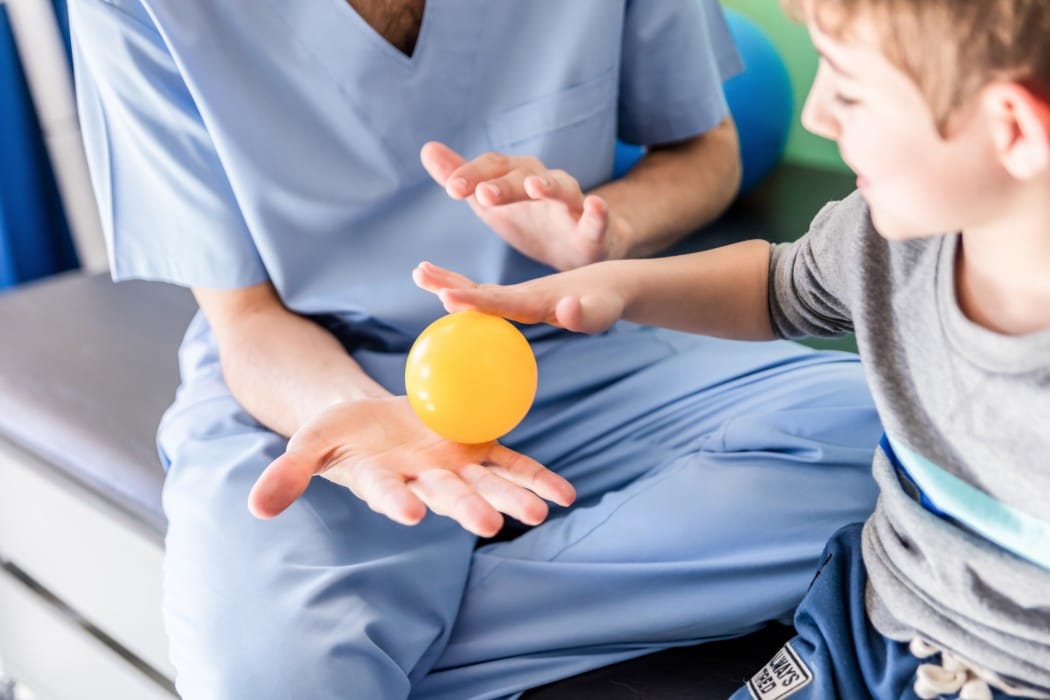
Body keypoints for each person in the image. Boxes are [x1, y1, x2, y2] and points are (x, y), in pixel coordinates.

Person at [69, 1, 882, 698]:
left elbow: (707, 154)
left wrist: (612, 226)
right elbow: (241, 316)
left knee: (895, 451)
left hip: (570, 342)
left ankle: (388, 646)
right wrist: (357, 426)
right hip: (314, 386)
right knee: (265, 671)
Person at [415, 0, 1050, 697]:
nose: (816, 115)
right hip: (869, 627)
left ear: (1011, 129)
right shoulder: (892, 238)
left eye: (849, 89)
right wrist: (618, 286)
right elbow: (779, 284)